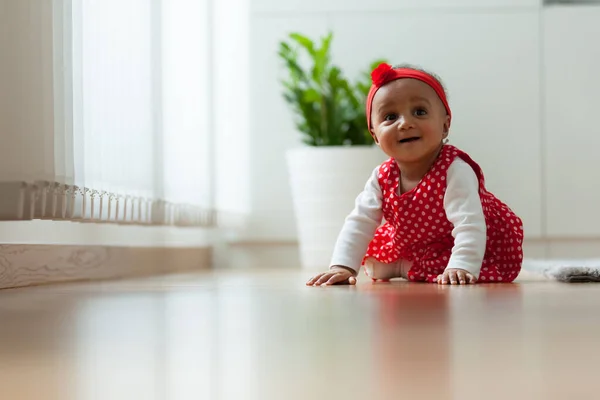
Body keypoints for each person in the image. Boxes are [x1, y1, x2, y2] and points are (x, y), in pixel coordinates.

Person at [306, 63, 523, 286]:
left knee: (450, 268)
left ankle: (412, 267)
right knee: (374, 264)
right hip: (413, 243)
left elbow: (469, 222)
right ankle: (406, 265)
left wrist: (462, 265)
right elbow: (359, 221)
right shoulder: (382, 177)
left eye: (419, 112)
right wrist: (342, 266)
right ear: (375, 136)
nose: (406, 123)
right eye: (390, 117)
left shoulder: (454, 169)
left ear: (445, 125)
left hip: (457, 244)